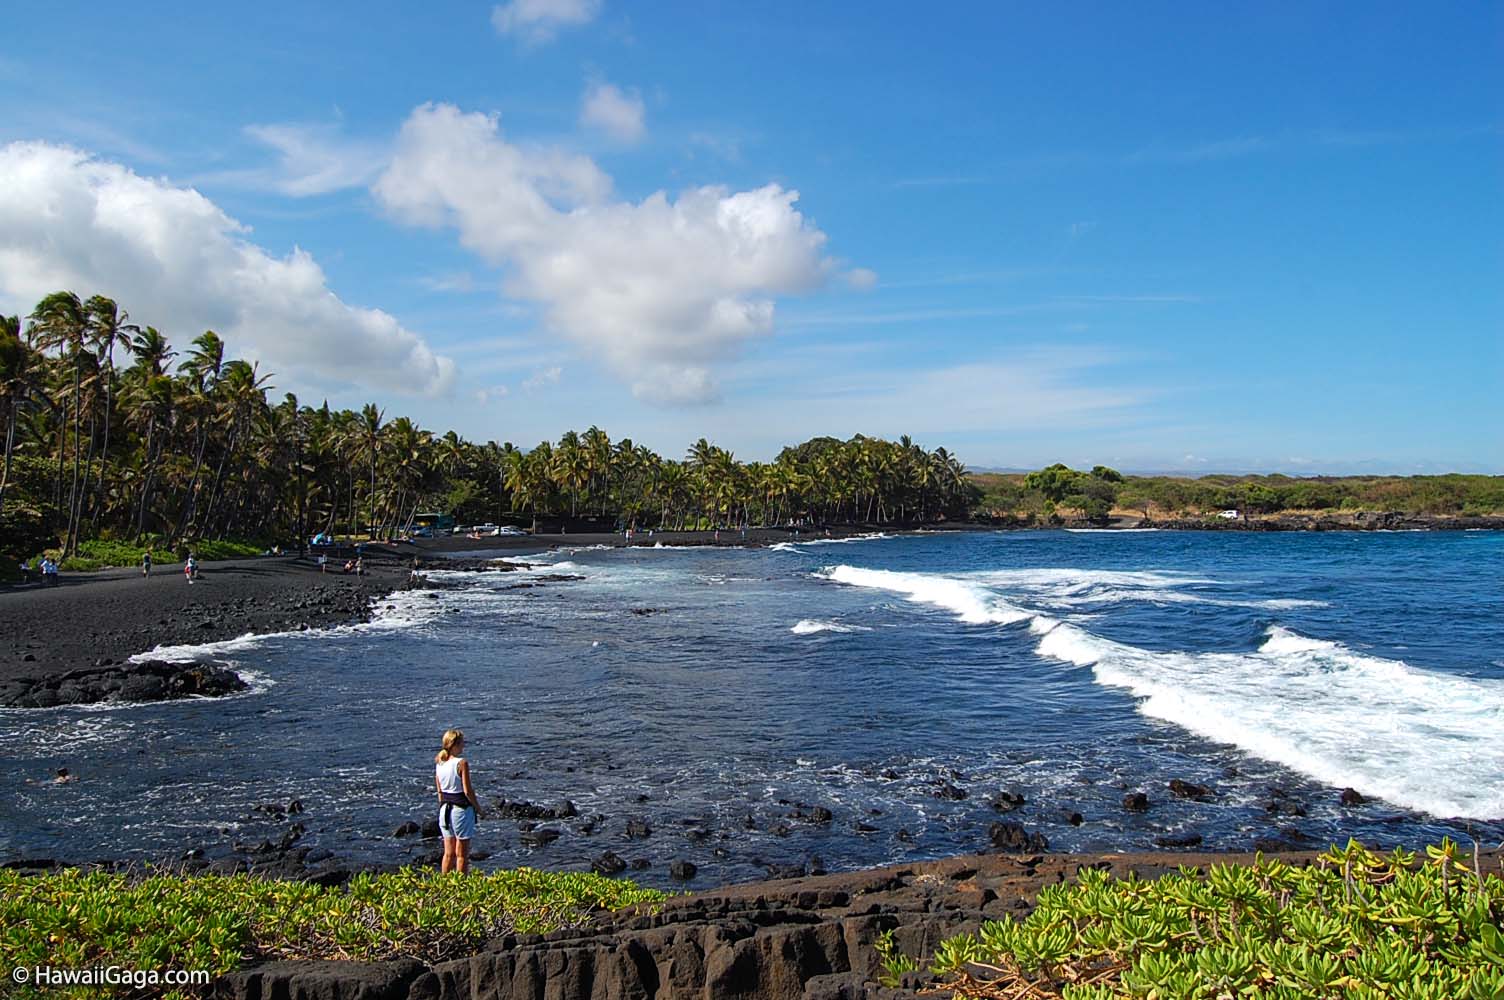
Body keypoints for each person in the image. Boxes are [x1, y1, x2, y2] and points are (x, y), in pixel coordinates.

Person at [433, 729, 480, 873]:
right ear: (455, 744)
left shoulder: (439, 763)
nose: (463, 746)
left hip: (444, 810)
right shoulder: (461, 763)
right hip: (460, 810)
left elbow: (440, 792)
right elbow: (467, 791)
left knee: (448, 853)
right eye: (462, 743)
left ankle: (444, 884)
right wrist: (478, 808)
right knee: (461, 855)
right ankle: (461, 886)